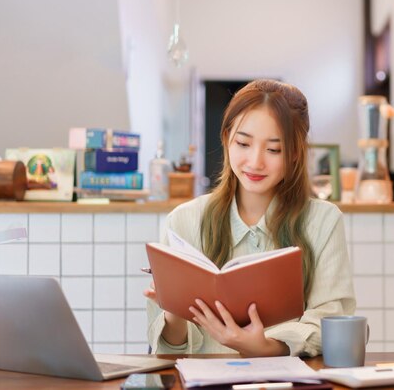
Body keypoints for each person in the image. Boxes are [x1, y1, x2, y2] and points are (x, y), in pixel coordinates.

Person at [145, 79, 355, 357]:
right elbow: (167, 350)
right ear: (226, 139)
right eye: (243, 143)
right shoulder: (183, 222)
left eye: (273, 149)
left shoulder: (323, 220)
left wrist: (265, 346)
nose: (255, 162)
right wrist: (174, 313)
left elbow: (330, 320)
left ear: (294, 154)